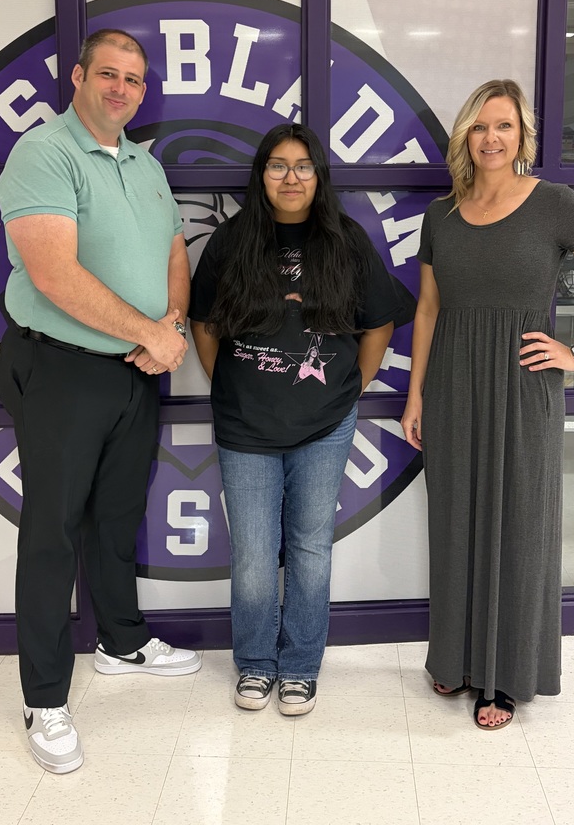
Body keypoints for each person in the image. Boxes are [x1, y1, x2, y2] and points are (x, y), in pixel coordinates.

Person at [401, 80, 574, 730]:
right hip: (453, 386)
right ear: (465, 136)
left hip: (522, 389)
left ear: (522, 137)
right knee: (455, 524)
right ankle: (454, 658)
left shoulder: (553, 203)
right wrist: (416, 394)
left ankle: (504, 677)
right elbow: (427, 310)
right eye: (480, 126)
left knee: (518, 528)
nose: (491, 138)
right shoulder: (441, 215)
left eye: (504, 126)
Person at [0, 29, 201, 774]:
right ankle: (44, 698)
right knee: (52, 532)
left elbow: (174, 251)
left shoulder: (145, 163)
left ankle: (121, 641)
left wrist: (169, 328)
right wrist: (151, 332)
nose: (121, 89)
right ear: (79, 77)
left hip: (135, 369)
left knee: (116, 515)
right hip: (61, 367)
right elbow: (53, 274)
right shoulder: (43, 153)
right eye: (108, 74)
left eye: (134, 79)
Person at [189, 123, 411, 716]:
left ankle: (300, 667)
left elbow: (380, 321)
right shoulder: (232, 241)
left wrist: (353, 387)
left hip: (325, 426)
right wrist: (227, 383)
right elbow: (203, 322)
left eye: (303, 166)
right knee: (253, 556)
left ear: (319, 176)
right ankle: (255, 663)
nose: (291, 178)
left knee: (311, 549)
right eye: (278, 166)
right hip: (244, 427)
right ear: (261, 174)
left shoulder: (346, 241)